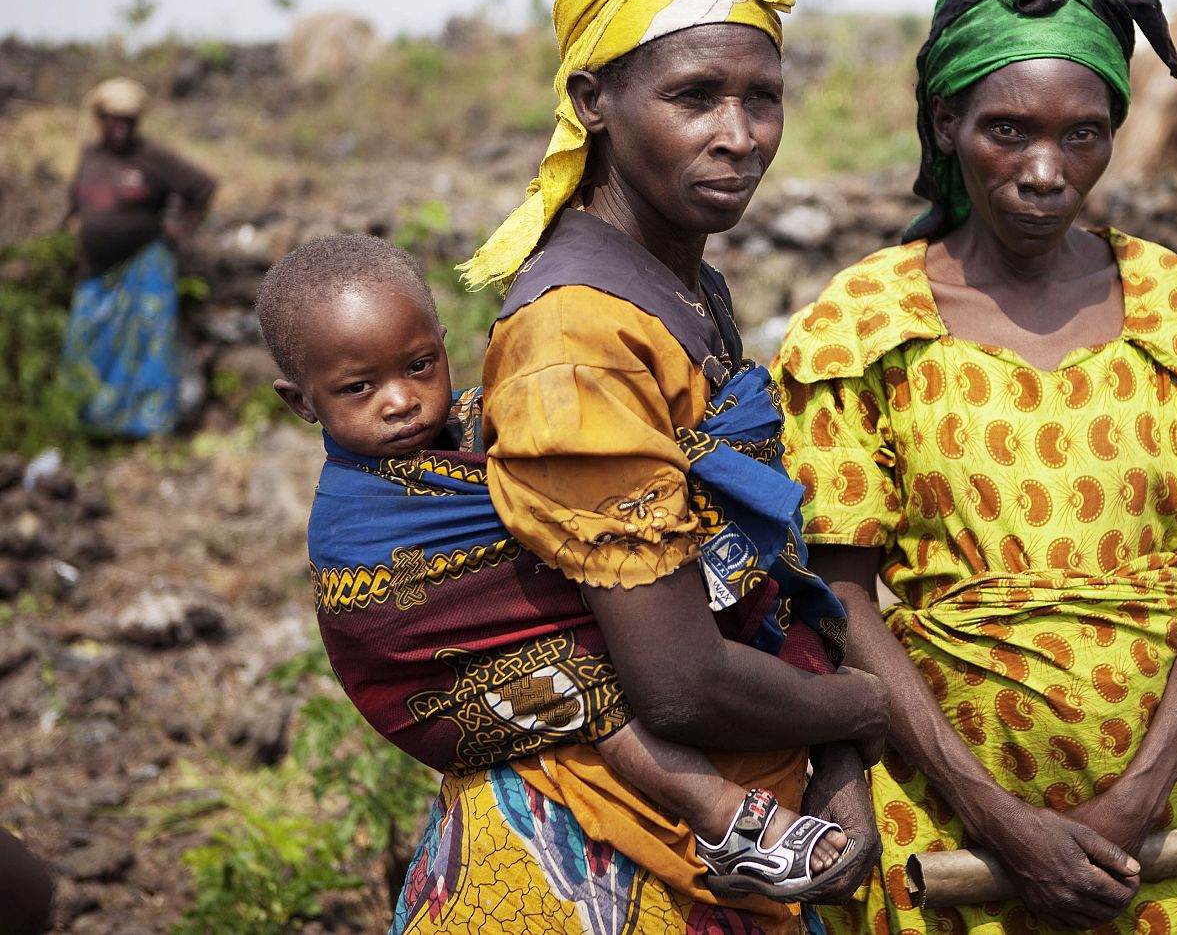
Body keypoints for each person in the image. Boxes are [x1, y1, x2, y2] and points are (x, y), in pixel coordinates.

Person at [386, 0, 888, 934]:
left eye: (763, 98)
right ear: (592, 99)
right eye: (695, 96)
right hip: (597, 850)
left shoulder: (683, 287)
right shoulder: (578, 331)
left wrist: (831, 755)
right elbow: (676, 682)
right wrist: (869, 705)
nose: (740, 135)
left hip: (712, 839)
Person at [777, 0, 1177, 934]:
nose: (1045, 169)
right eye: (1007, 130)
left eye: (1081, 134)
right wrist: (994, 815)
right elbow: (835, 588)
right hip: (944, 818)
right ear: (946, 126)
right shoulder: (864, 324)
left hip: (1157, 830)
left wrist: (1138, 793)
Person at [255, 234, 858, 903]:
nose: (399, 400)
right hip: (448, 677)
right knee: (599, 695)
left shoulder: (484, 417)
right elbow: (386, 622)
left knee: (644, 644)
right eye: (359, 387)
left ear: (444, 342)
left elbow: (559, 490)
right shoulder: (357, 513)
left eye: (420, 365)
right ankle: (724, 817)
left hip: (550, 644)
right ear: (301, 401)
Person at [60, 77, 215, 438]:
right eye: (113, 120)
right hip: (94, 270)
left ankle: (145, 427)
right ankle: (88, 425)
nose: (119, 129)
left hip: (142, 268)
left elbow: (203, 187)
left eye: (127, 121)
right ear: (100, 119)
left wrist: (180, 228)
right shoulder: (91, 155)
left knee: (146, 347)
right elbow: (76, 198)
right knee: (86, 341)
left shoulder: (151, 157)